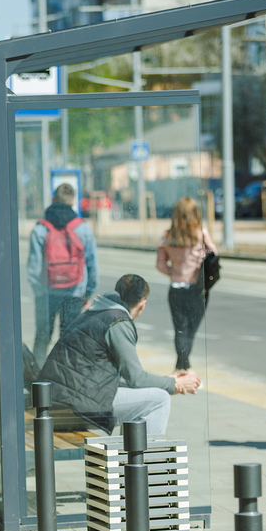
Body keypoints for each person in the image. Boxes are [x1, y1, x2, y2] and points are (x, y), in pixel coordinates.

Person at [40, 274, 200, 437]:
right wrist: (172, 384)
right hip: (74, 407)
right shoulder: (118, 322)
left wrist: (167, 380)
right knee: (160, 399)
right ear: (142, 305)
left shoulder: (95, 311)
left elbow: (118, 378)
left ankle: (133, 458)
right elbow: (136, 379)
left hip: (56, 401)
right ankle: (146, 459)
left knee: (150, 395)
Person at [27, 182, 98, 367]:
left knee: (42, 338)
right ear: (73, 201)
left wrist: (40, 293)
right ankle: (65, 379)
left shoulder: (40, 229)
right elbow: (92, 266)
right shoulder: (82, 229)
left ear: (54, 199)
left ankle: (37, 379)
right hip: (74, 294)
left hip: (47, 295)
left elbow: (33, 269)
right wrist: (87, 293)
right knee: (69, 341)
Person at [156, 196, 218, 371]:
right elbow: (214, 254)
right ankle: (184, 368)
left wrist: (174, 273)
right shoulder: (201, 233)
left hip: (176, 288)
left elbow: (160, 264)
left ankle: (181, 367)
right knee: (190, 330)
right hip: (197, 288)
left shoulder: (168, 236)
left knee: (180, 329)